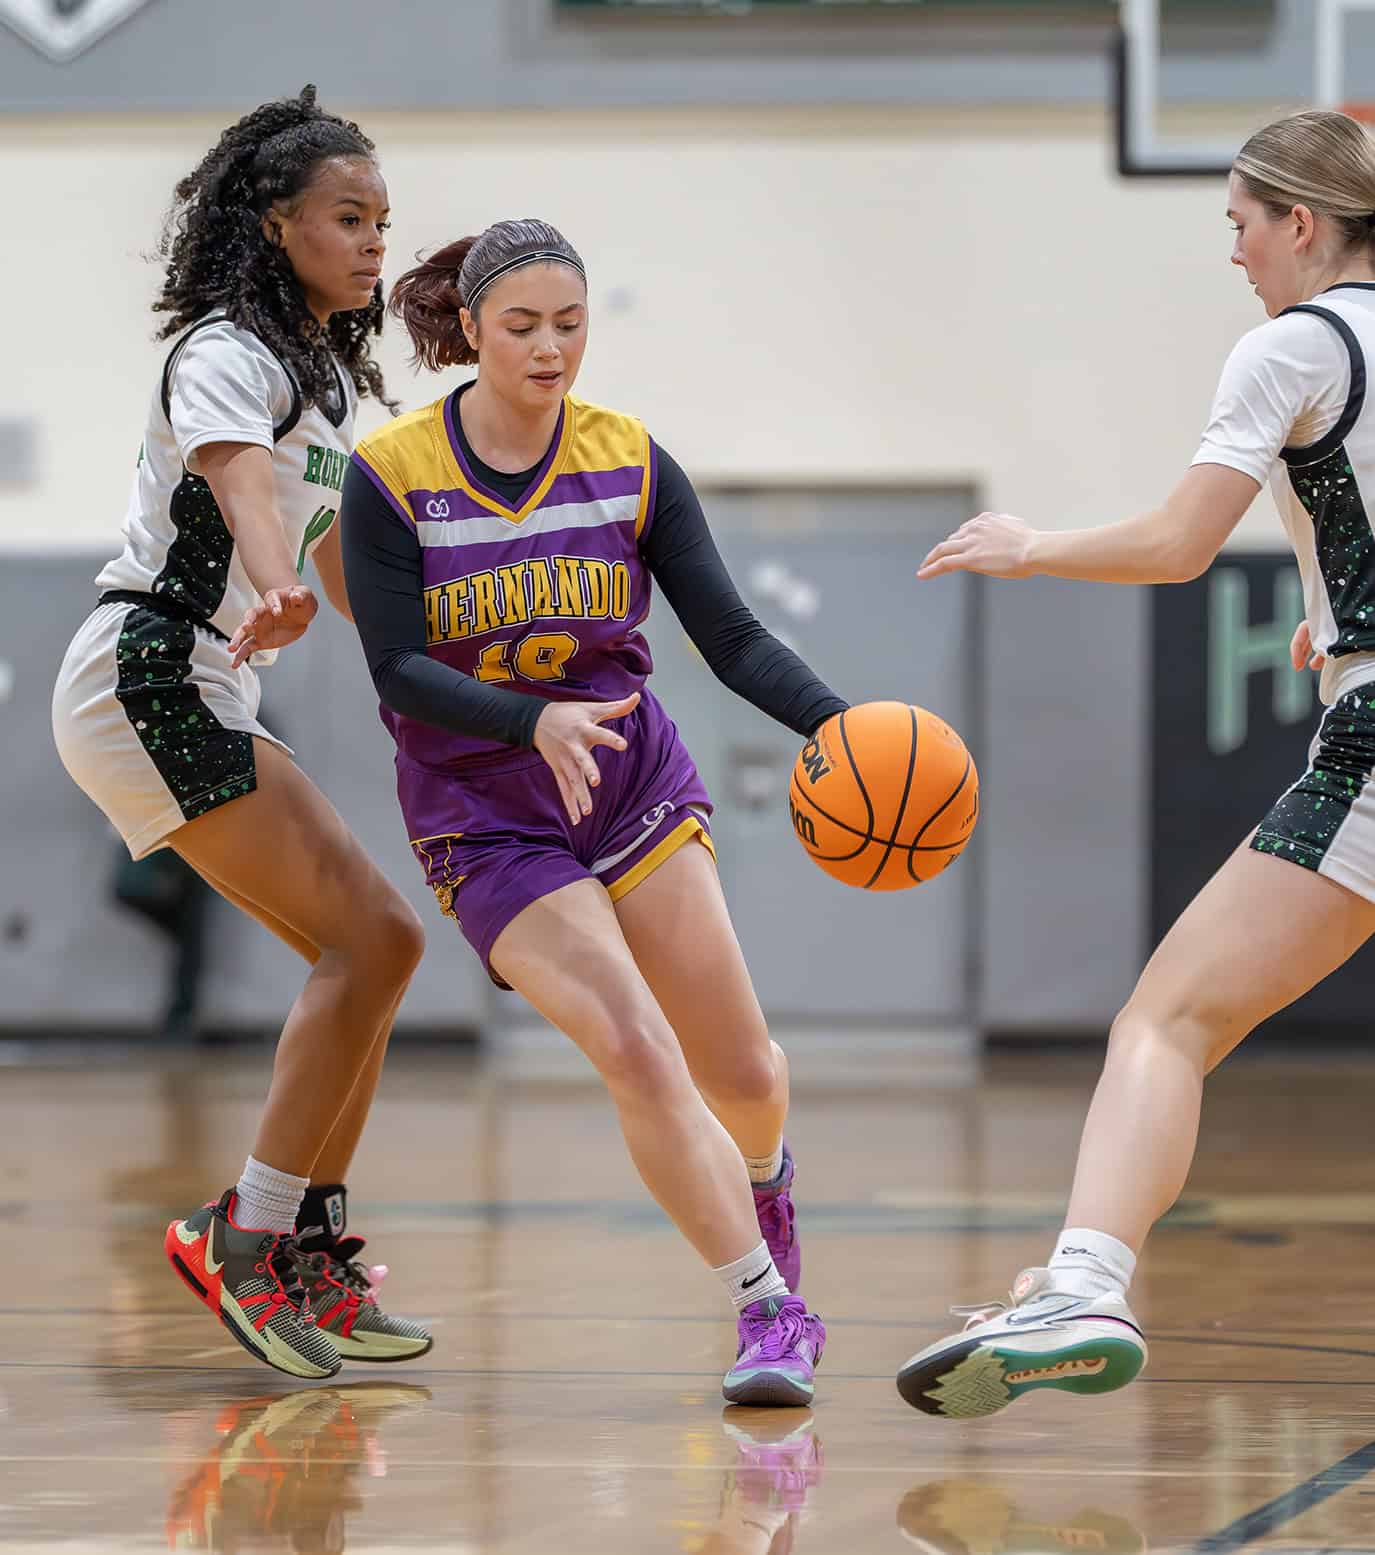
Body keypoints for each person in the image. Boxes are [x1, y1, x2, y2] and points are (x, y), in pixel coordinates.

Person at [898, 108, 1375, 1418]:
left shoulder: (1291, 344)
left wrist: (1030, 542)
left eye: (1237, 223)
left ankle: (1082, 1281)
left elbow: (1175, 543)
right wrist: (1330, 614)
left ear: (1296, 221)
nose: (1230, 252)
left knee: (1163, 1020)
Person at [326, 218, 841, 1405]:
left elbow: (733, 639)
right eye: (522, 326)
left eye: (570, 323)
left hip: (628, 779)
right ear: (468, 328)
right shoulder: (394, 473)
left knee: (745, 1070)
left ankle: (764, 1183)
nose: (551, 348)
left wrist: (841, 725)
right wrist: (527, 721)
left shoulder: (630, 460)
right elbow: (397, 665)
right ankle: (770, 1311)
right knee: (635, 1045)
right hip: (482, 804)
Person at [51, 86, 432, 1378]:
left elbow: (324, 565)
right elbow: (239, 491)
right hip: (148, 668)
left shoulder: (318, 381)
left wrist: (440, 677)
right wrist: (272, 579)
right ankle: (247, 1235)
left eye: (383, 218)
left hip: (203, 680)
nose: (373, 240)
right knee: (372, 937)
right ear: (276, 227)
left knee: (373, 953)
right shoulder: (226, 349)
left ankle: (305, 1242)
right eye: (347, 216)